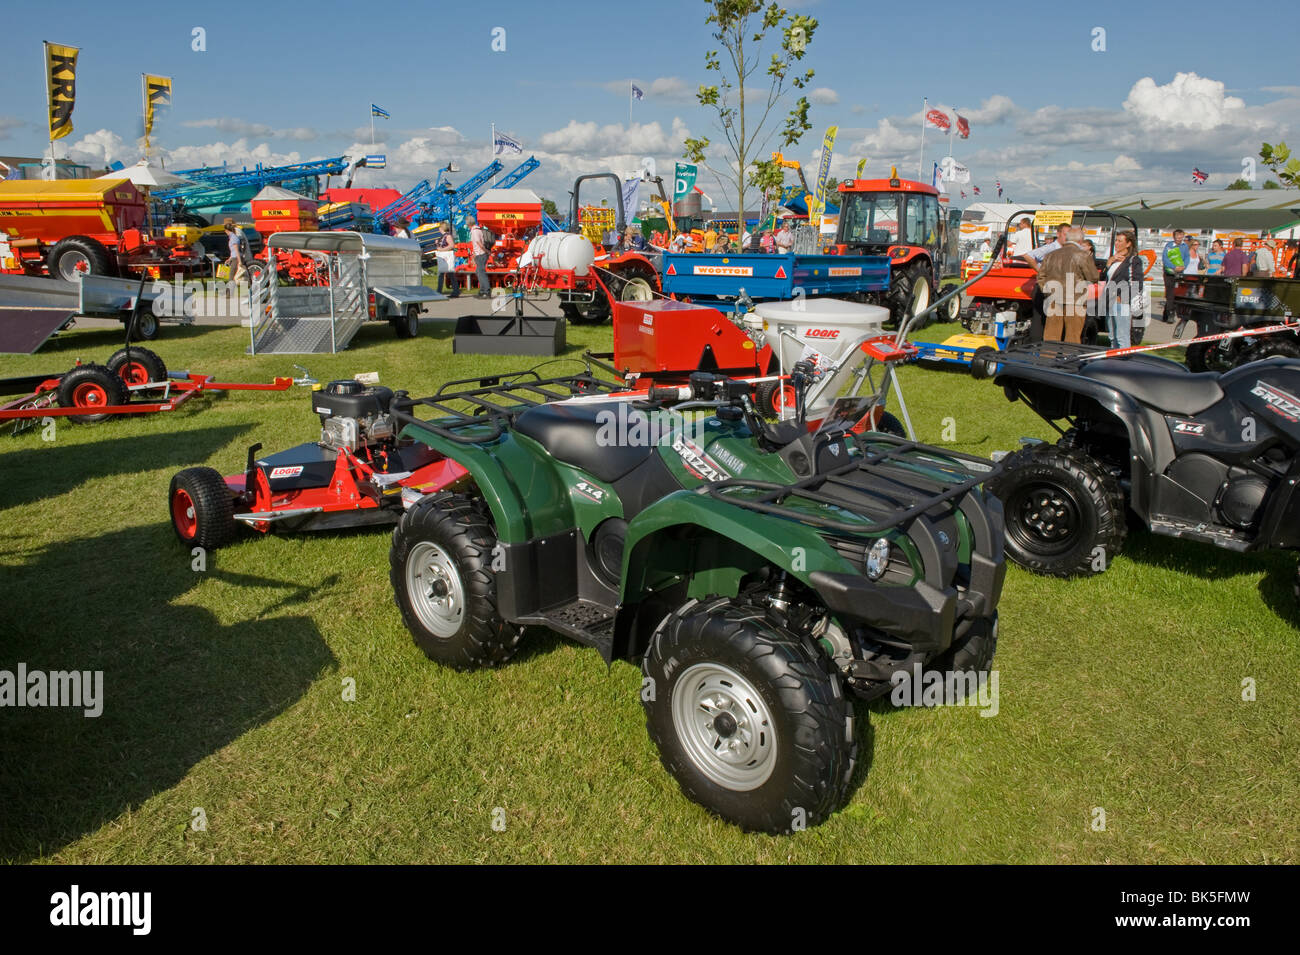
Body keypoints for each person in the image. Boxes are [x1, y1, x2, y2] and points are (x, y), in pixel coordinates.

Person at [1039, 226, 1099, 343]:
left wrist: (1048, 292)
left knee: (1051, 336)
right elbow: (1094, 277)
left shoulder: (1051, 255)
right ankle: (1070, 360)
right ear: (1080, 240)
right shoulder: (1083, 255)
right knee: (1073, 337)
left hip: (1054, 299)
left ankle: (1048, 359)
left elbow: (1041, 277)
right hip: (1076, 301)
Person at [1102, 230, 1143, 350]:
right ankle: (1113, 361)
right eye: (1116, 240)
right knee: (1112, 336)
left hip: (1121, 302)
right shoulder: (1113, 259)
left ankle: (1124, 361)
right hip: (1109, 300)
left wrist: (1124, 298)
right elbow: (1102, 279)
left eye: (1120, 241)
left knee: (1122, 336)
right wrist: (1109, 263)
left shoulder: (1133, 260)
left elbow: (1137, 283)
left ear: (1128, 244)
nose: (1116, 243)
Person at [1160, 229, 1189, 321]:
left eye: (1181, 236)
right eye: (1177, 236)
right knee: (1170, 293)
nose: (1179, 238)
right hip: (1169, 272)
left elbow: (1187, 257)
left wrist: (1183, 266)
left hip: (1180, 273)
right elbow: (1165, 258)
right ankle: (1170, 313)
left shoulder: (1185, 246)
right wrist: (1173, 267)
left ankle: (1167, 313)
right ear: (1174, 237)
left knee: (1177, 294)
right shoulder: (1169, 246)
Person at [468, 215, 491, 298]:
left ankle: (486, 290)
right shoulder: (478, 230)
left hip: (481, 254)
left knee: (481, 273)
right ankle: (482, 290)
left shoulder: (474, 231)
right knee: (479, 272)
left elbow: (478, 243)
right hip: (479, 254)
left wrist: (486, 251)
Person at [436, 222, 459, 298]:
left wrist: (442, 249)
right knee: (443, 274)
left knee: (449, 274)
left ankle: (454, 291)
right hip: (443, 258)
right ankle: (440, 291)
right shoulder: (443, 236)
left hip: (446, 257)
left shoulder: (447, 236)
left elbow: (452, 245)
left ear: (441, 228)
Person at [222, 218, 248, 284]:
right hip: (234, 258)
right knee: (232, 276)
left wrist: (239, 261)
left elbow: (236, 251)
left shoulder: (233, 238)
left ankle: (229, 293)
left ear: (226, 230)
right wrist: (229, 259)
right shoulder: (233, 236)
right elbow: (233, 251)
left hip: (236, 258)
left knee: (231, 276)